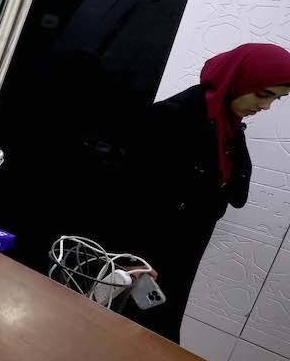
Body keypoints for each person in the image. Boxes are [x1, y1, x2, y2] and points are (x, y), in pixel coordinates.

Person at [122, 43, 290, 342]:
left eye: (277, 99)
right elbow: (128, 196)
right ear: (239, 79)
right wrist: (130, 259)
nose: (265, 107)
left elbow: (230, 190)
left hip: (183, 254)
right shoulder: (172, 117)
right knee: (128, 336)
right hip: (146, 257)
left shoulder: (228, 126)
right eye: (264, 94)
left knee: (153, 342)